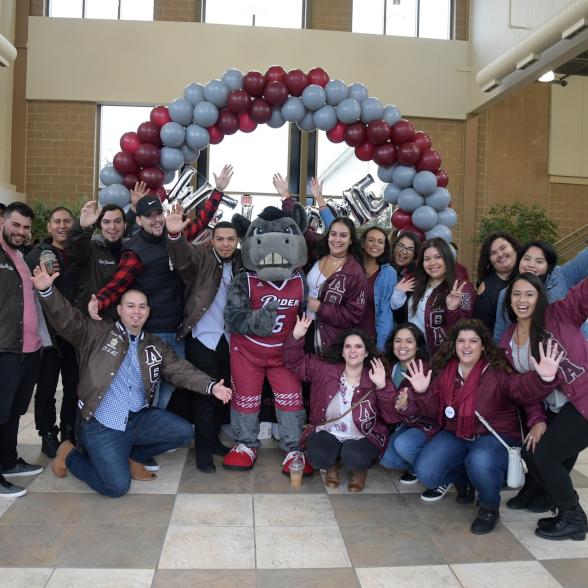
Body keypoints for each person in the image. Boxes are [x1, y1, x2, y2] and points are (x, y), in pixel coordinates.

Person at [32, 263, 232, 498]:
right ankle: (70, 455)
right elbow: (68, 320)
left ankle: (132, 454)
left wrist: (210, 386)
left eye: (142, 307)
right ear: (119, 310)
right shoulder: (96, 333)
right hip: (102, 423)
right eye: (130, 306)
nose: (136, 312)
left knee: (183, 432)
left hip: (138, 418)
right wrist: (47, 292)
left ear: (148, 312)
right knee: (116, 487)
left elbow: (180, 370)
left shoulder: (154, 345)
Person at [89, 165, 234, 416]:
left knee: (171, 384)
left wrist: (218, 190)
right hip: (154, 331)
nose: (156, 219)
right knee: (150, 387)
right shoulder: (135, 250)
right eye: (149, 216)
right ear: (139, 219)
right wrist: (100, 301)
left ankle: (151, 427)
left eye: (158, 214)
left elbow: (201, 222)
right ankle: (142, 432)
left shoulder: (173, 235)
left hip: (176, 330)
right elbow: (119, 283)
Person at [407, 319, 561, 535]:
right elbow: (434, 413)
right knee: (426, 471)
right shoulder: (445, 371)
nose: (466, 346)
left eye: (473, 341)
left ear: (483, 345)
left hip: (495, 434)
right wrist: (422, 392)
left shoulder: (497, 371)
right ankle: (467, 482)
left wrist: (543, 379)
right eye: (461, 341)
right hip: (457, 432)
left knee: (479, 460)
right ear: (454, 344)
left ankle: (489, 507)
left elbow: (522, 390)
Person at [499, 274, 588, 540]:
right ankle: (559, 507)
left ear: (540, 297)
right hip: (554, 408)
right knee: (532, 452)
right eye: (516, 294)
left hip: (582, 400)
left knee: (546, 457)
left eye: (529, 294)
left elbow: (583, 293)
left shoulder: (560, 314)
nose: (522, 300)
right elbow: (523, 391)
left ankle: (574, 518)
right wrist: (537, 419)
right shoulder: (508, 341)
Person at [166, 208, 242, 473]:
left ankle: (214, 441)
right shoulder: (201, 257)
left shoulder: (242, 263)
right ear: (212, 240)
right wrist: (175, 235)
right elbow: (182, 259)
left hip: (231, 339)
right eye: (220, 239)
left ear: (237, 241)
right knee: (205, 394)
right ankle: (203, 450)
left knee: (225, 393)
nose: (225, 244)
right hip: (202, 337)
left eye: (230, 239)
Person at [284, 315, 391, 492]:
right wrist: (295, 337)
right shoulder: (325, 369)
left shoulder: (376, 375)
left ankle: (359, 470)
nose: (352, 351)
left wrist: (382, 387)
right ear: (342, 352)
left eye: (358, 346)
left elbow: (391, 416)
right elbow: (294, 362)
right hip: (330, 431)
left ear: (366, 352)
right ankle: (332, 464)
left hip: (362, 436)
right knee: (317, 456)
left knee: (354, 456)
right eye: (347, 346)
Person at [0, 202, 50, 497]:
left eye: (26, 228)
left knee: (14, 412)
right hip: (5, 350)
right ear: (3, 222)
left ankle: (8, 461)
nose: (21, 232)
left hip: (29, 351)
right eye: (16, 225)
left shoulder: (20, 256)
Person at [25, 206, 78, 458]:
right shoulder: (35, 255)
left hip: (75, 334)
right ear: (49, 227)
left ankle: (69, 431)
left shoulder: (80, 254)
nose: (62, 226)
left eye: (67, 221)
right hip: (47, 336)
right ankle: (47, 433)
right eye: (57, 221)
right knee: (45, 389)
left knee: (73, 387)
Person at [378, 323, 445, 501]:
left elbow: (434, 410)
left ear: (417, 345)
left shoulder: (427, 369)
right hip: (406, 423)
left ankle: (441, 475)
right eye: (398, 340)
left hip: (428, 425)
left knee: (404, 444)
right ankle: (417, 467)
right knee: (385, 457)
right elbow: (390, 412)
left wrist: (408, 405)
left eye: (409, 341)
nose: (402, 346)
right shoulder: (389, 368)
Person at [392, 237, 476, 356]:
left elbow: (464, 330)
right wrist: (398, 294)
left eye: (438, 257)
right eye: (427, 259)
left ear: (447, 258)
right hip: (414, 356)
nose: (432, 263)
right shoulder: (416, 283)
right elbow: (401, 320)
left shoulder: (461, 287)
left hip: (443, 358)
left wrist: (452, 309)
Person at [494, 240, 588, 342]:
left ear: (548, 266)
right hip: (532, 352)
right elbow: (500, 334)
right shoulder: (506, 294)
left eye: (539, 261)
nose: (531, 265)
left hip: (571, 346)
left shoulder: (562, 276)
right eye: (526, 259)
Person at [306, 217, 367, 355]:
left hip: (329, 338)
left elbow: (354, 316)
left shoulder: (355, 273)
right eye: (333, 234)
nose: (337, 239)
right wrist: (286, 197)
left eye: (343, 235)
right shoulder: (318, 255)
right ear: (328, 236)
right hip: (303, 328)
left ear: (351, 240)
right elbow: (303, 229)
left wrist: (320, 308)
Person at [65, 200, 127, 320]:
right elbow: (73, 250)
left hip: (126, 324)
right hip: (93, 323)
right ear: (100, 226)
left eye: (117, 221)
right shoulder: (90, 248)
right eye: (106, 222)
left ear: (125, 225)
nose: (112, 227)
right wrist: (82, 227)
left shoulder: (132, 251)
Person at [474, 232, 519, 332]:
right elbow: (481, 328)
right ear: (489, 260)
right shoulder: (486, 287)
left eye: (503, 248)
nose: (500, 254)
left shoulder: (530, 276)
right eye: (493, 253)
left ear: (515, 248)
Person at [360, 227, 397, 352]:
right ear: (363, 243)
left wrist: (381, 345)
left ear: (385, 247)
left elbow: (385, 311)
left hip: (374, 337)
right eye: (371, 240)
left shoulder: (389, 273)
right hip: (349, 334)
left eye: (380, 242)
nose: (376, 244)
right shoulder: (352, 267)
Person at [389, 231, 421, 325]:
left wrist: (398, 293)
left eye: (410, 249)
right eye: (401, 246)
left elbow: (404, 313)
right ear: (394, 246)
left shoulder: (414, 277)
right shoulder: (383, 267)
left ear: (415, 254)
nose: (404, 251)